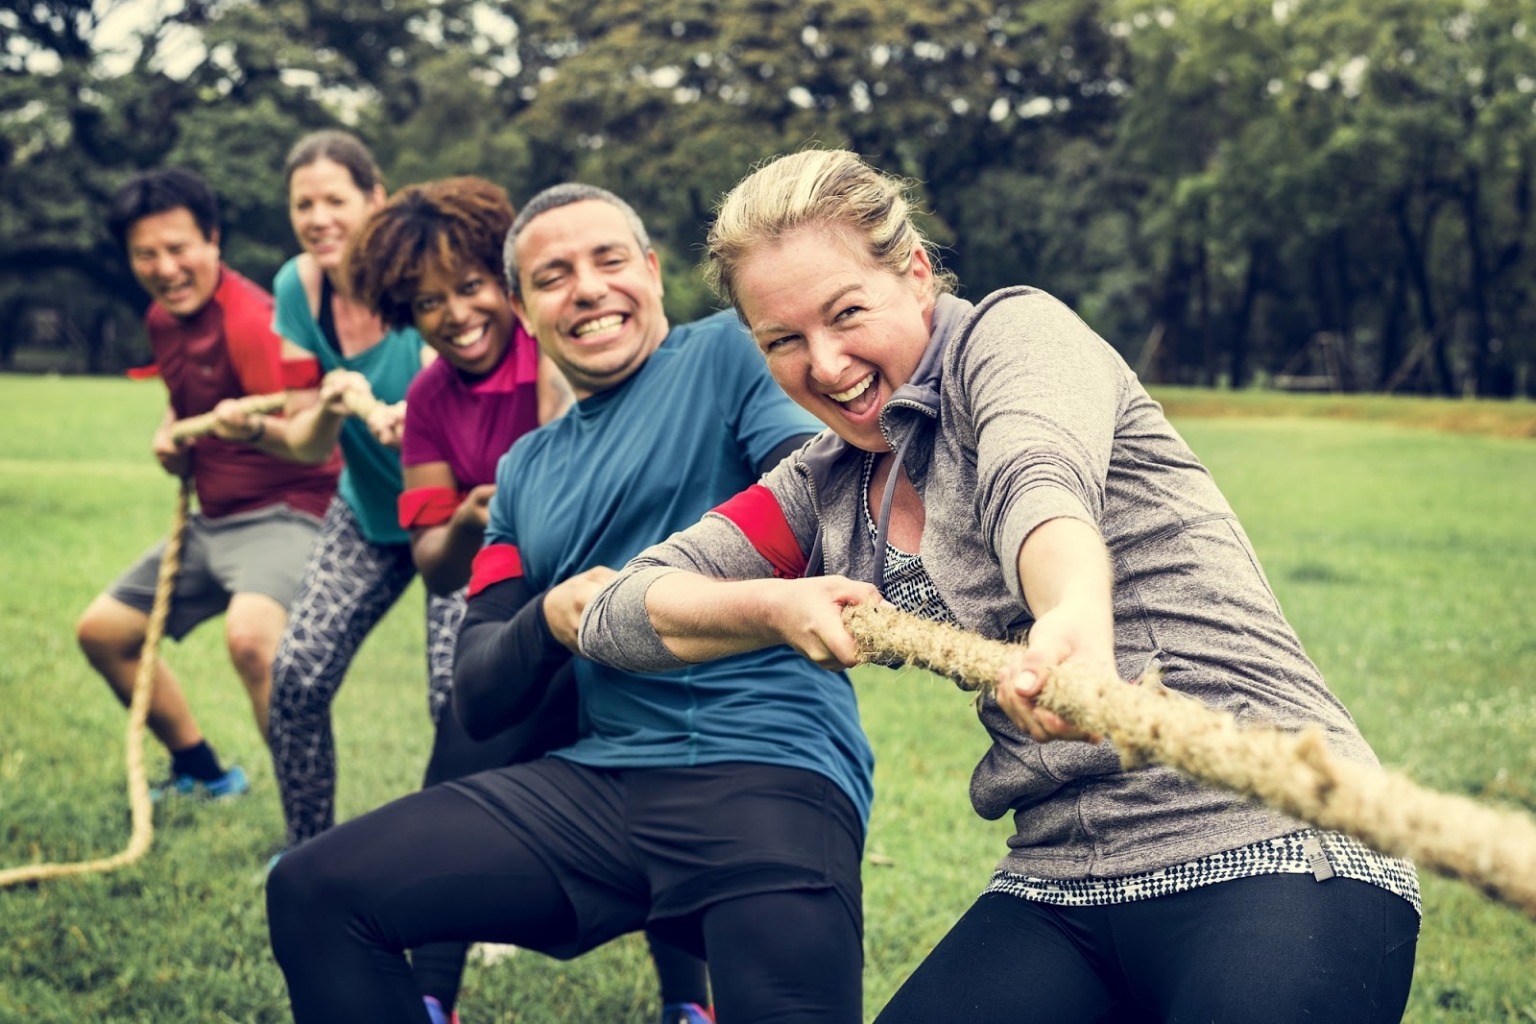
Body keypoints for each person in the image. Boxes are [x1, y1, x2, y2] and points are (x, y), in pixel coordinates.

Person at [579, 149, 1423, 1024]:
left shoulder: (1014, 337)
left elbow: (1037, 479)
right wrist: (772, 605)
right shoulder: (819, 486)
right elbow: (621, 613)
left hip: (1273, 840)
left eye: (846, 314)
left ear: (913, 275)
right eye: (783, 341)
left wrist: (1072, 619)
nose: (825, 366)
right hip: (1060, 882)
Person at [267, 182, 872, 1024]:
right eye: (553, 276)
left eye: (609, 260)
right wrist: (550, 616)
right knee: (313, 889)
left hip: (766, 773)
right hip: (603, 789)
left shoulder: (728, 357)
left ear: (653, 273)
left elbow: (816, 500)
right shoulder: (523, 473)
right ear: (522, 307)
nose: (586, 288)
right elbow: (479, 692)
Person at [343, 174, 705, 1024]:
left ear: (507, 290)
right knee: (457, 766)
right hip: (521, 617)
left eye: (470, 288)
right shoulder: (432, 399)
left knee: (669, 785)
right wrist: (477, 514)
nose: (456, 315)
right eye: (427, 302)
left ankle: (691, 1004)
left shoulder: (564, 342)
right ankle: (431, 995)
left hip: (629, 605)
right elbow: (434, 563)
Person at [210, 130, 451, 857]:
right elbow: (307, 443)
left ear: (374, 200)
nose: (318, 218)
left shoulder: (422, 274)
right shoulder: (297, 288)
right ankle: (308, 852)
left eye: (335, 200)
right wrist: (327, 404)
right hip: (370, 512)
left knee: (459, 700)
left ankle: (479, 887)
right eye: (302, 204)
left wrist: (425, 417)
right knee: (297, 674)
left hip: (461, 515)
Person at [75, 168, 339, 800]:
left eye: (179, 248)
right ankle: (203, 772)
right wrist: (173, 431)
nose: (166, 267)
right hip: (212, 520)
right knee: (104, 633)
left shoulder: (254, 321)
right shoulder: (164, 321)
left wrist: (244, 432)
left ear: (213, 240)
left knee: (251, 637)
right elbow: (189, 398)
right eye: (147, 254)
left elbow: (312, 440)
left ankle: (312, 828)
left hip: (288, 510)